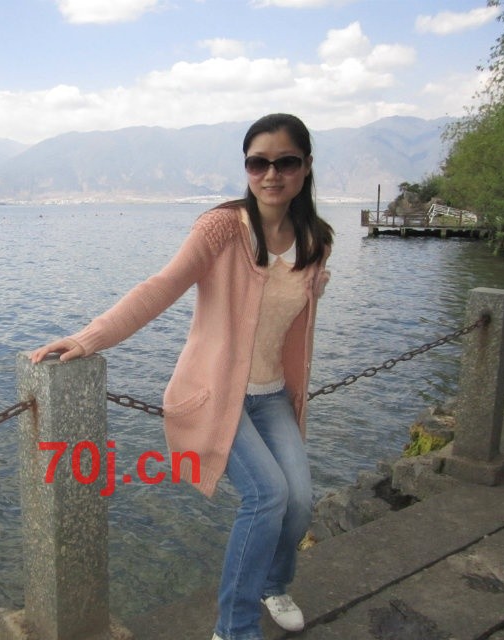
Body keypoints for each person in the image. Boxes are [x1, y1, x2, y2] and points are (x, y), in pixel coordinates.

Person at [30, 113, 333, 640]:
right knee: (267, 496)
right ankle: (233, 629)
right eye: (258, 163)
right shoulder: (222, 228)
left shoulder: (314, 240)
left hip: (271, 397)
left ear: (305, 167)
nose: (271, 174)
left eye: (285, 162)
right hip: (217, 396)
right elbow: (162, 286)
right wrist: (89, 338)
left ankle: (273, 584)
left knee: (301, 500)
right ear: (246, 168)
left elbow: (292, 331)